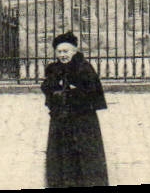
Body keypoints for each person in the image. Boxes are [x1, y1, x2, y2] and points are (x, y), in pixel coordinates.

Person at [40, 31, 109, 188]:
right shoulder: (54, 69)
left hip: (82, 120)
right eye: (59, 52)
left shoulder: (84, 68)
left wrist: (74, 92)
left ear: (74, 51)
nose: (63, 55)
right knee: (61, 154)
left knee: (84, 155)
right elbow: (47, 88)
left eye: (66, 51)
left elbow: (94, 92)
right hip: (61, 120)